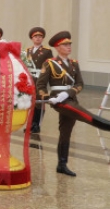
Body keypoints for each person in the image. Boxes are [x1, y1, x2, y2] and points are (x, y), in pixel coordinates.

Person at [37, 31, 110, 176]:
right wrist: (47, 97)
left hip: (70, 98)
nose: (69, 46)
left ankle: (61, 164)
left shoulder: (74, 64)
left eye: (69, 44)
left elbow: (80, 84)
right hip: (58, 100)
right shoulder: (50, 63)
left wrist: (69, 93)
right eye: (65, 44)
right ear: (58, 47)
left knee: (65, 133)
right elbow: (40, 85)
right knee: (83, 113)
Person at [26, 27, 53, 134]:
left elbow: (50, 65)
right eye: (35, 36)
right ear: (32, 38)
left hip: (40, 79)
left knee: (39, 102)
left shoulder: (47, 51)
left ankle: (37, 124)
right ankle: (31, 124)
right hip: (30, 79)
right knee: (31, 102)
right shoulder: (28, 50)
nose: (38, 38)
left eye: (40, 37)